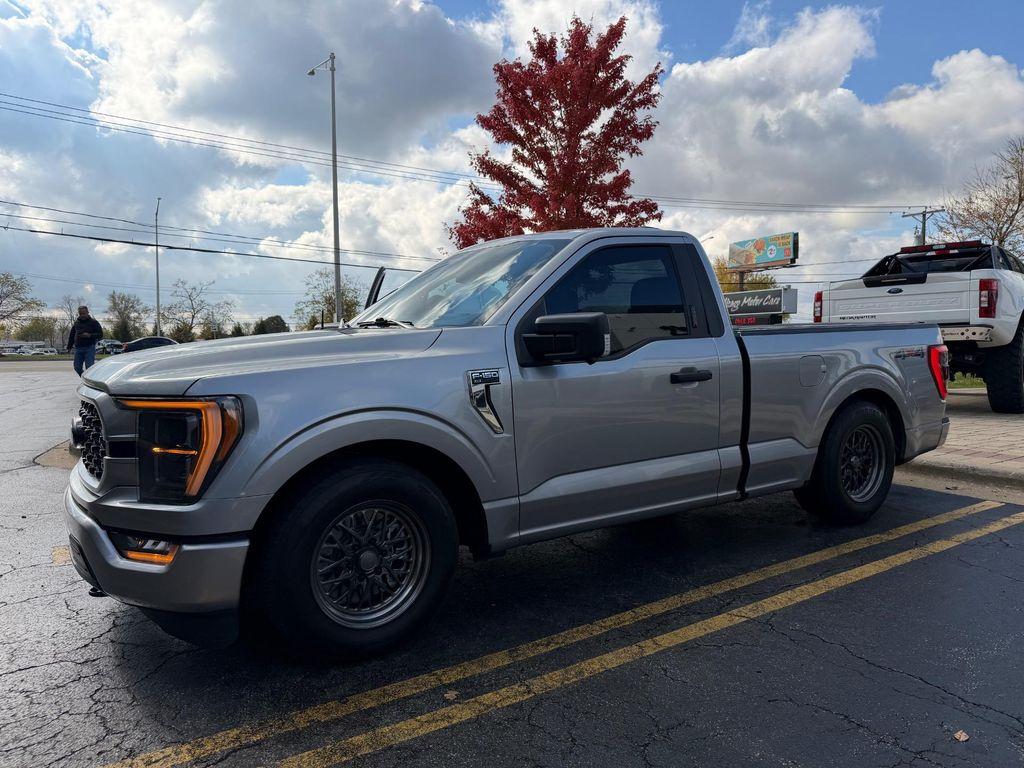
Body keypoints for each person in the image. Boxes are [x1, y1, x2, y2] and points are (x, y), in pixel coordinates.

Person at [67, 305, 104, 376]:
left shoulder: (94, 322)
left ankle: (89, 380)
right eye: (80, 314)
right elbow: (72, 335)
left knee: (89, 367)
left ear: (87, 312)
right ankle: (85, 378)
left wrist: (90, 335)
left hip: (89, 347)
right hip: (78, 348)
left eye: (84, 313)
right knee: (77, 367)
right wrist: (69, 347)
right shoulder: (77, 323)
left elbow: (100, 334)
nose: (82, 315)